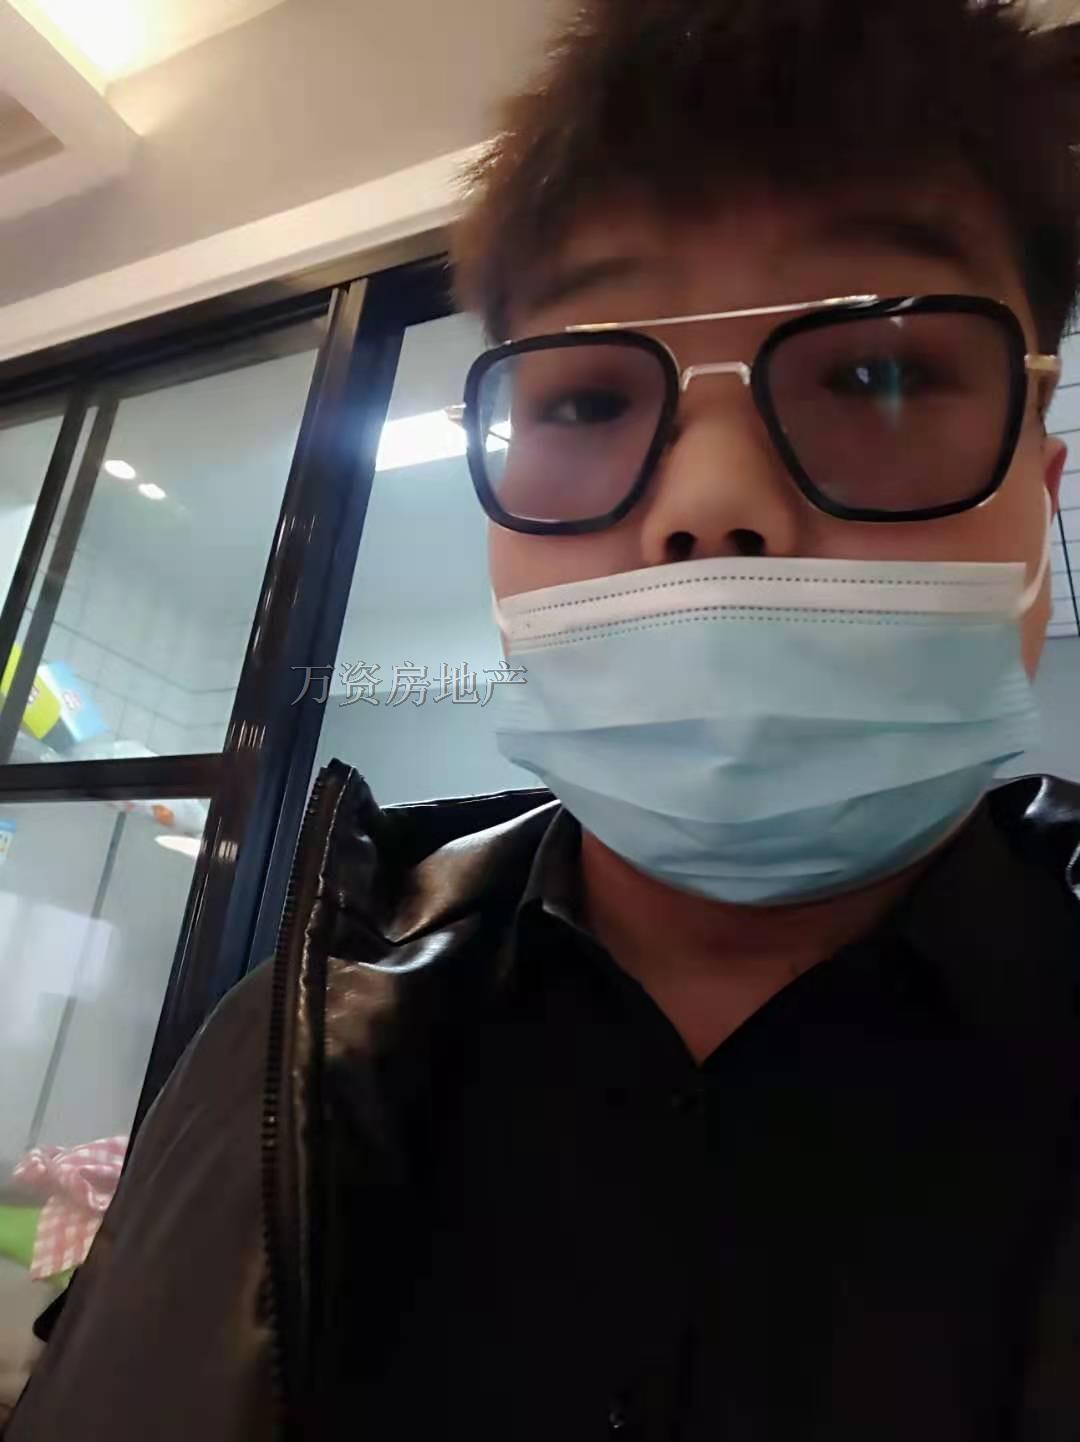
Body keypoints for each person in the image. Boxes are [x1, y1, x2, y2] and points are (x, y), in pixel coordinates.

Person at [6, 1, 1080, 1439]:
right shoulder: (284, 1046)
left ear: (1042, 496)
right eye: (585, 399)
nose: (711, 503)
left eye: (877, 373)